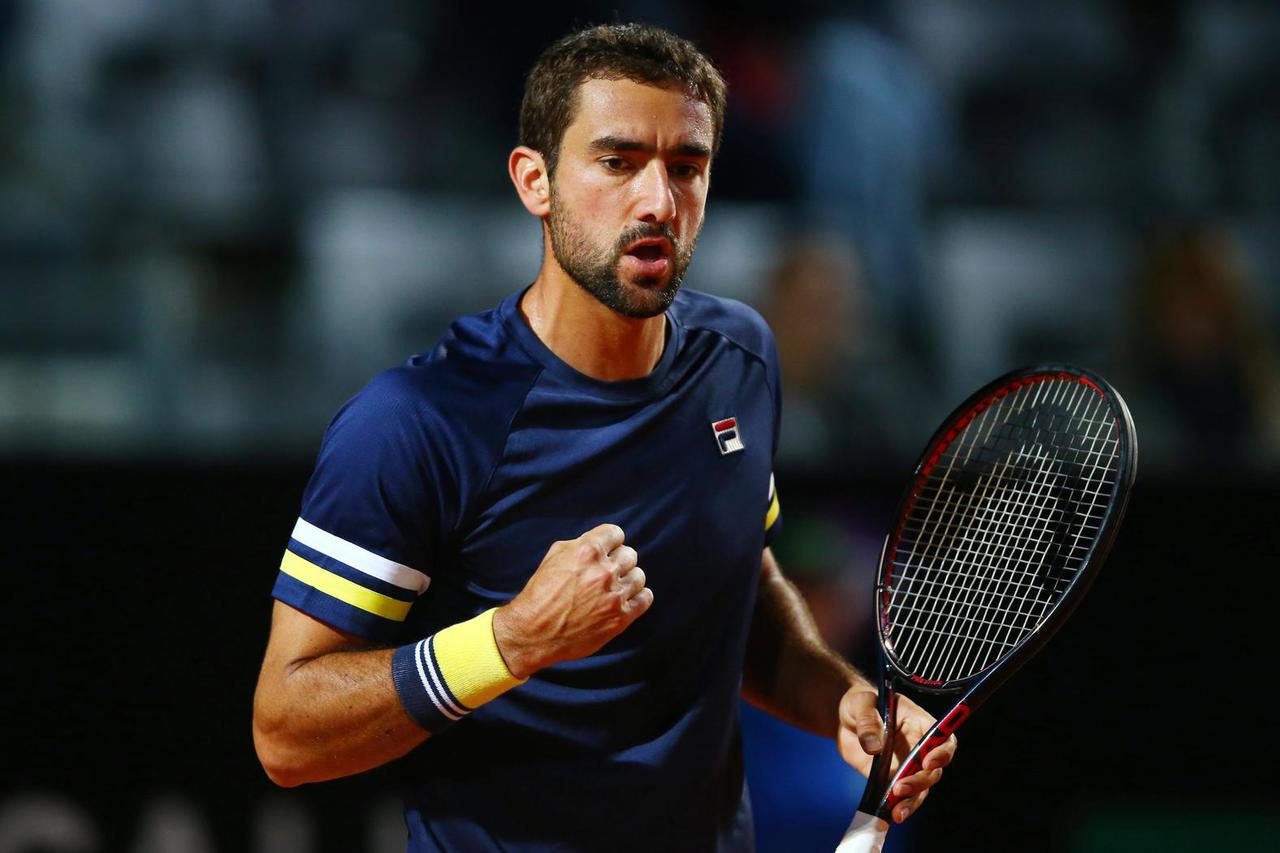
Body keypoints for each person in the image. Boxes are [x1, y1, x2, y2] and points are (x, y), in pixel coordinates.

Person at [252, 23, 955, 852]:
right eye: (618, 162)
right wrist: (511, 641)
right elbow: (286, 732)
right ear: (535, 180)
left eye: (685, 166)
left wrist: (839, 698)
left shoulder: (741, 359)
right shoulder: (416, 420)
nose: (658, 201)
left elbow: (740, 586)